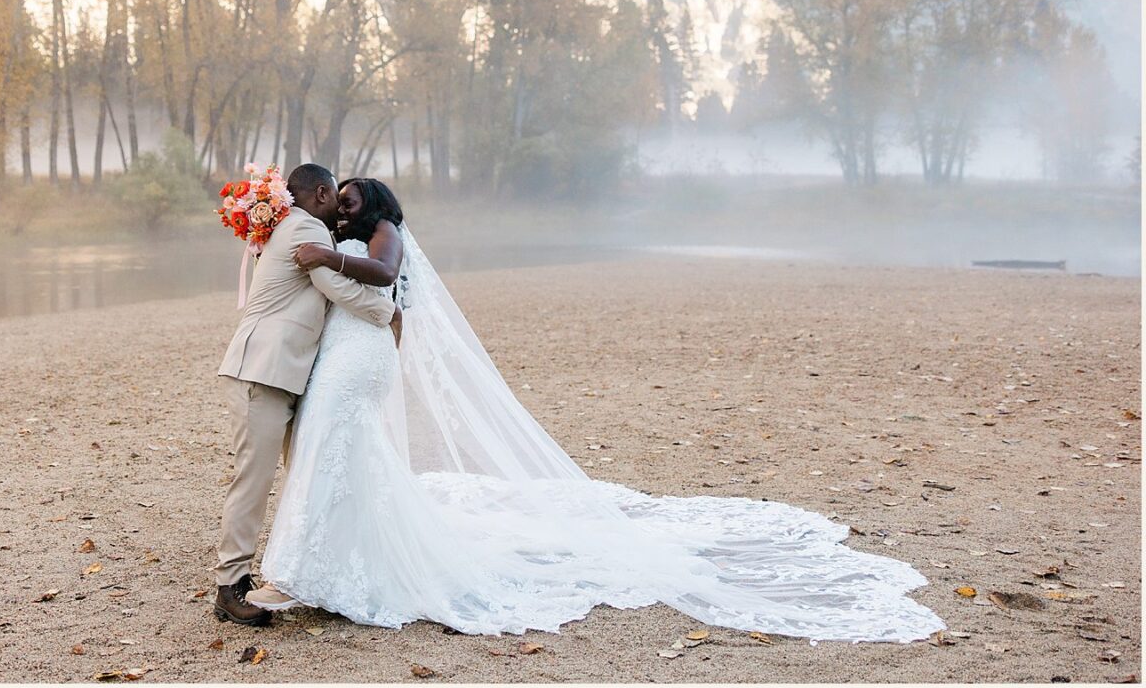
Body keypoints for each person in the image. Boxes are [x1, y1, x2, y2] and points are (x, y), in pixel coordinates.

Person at [241, 177, 949, 642]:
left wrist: (328, 263)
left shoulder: (380, 238)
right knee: (343, 452)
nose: (345, 204)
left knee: (344, 446)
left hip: (357, 362)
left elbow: (387, 285)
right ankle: (324, 558)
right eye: (341, 197)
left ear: (378, 206)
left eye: (356, 197)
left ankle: (326, 565)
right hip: (340, 356)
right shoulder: (325, 236)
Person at [211, 164, 399, 626]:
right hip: (262, 372)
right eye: (337, 195)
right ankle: (229, 588)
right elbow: (336, 287)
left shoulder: (298, 225)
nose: (339, 206)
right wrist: (390, 310)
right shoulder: (304, 227)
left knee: (307, 475)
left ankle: (309, 571)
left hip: (287, 374)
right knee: (252, 482)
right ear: (321, 192)